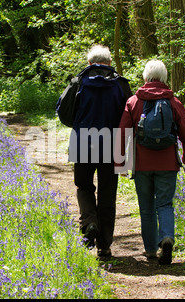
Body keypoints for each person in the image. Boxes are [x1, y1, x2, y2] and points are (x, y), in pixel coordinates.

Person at [115, 60, 185, 265]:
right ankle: (167, 237)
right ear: (164, 78)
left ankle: (150, 250)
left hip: (142, 164)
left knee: (146, 207)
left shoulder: (133, 102)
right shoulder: (174, 102)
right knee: (165, 204)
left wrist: (120, 162)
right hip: (167, 163)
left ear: (145, 77)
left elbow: (122, 132)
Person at [56, 44, 132, 258]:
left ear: (89, 63)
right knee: (108, 194)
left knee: (83, 186)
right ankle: (104, 246)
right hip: (112, 144)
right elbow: (131, 114)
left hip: (83, 142)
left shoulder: (78, 82)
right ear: (109, 63)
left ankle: (89, 221)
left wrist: (78, 125)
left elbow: (63, 112)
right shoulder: (121, 84)